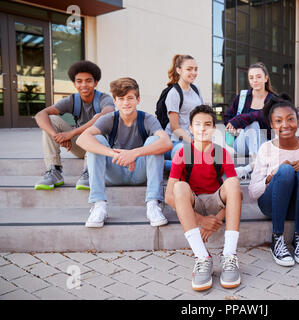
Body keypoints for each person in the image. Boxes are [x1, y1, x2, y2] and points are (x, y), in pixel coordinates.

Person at [165, 105, 242, 292]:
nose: (202, 128)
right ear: (190, 128)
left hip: (215, 202)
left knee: (233, 183)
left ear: (214, 129)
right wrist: (201, 221)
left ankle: (229, 255)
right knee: (180, 186)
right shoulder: (183, 153)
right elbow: (168, 197)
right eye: (197, 124)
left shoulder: (221, 153)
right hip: (194, 204)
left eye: (208, 124)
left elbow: (236, 195)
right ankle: (202, 256)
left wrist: (217, 219)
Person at [77, 77, 172, 228]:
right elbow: (81, 140)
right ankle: (99, 205)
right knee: (96, 140)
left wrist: (134, 154)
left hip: (140, 172)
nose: (126, 103)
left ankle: (153, 205)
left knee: (154, 142)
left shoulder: (147, 119)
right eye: (121, 99)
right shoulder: (109, 119)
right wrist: (115, 154)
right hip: (115, 171)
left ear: (138, 99)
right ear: (115, 101)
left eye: (130, 98)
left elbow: (167, 143)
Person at [249, 94, 299, 267]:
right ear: (272, 125)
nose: (285, 125)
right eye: (279, 121)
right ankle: (277, 238)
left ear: (297, 120)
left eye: (290, 119)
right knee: (285, 170)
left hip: (298, 205)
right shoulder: (266, 148)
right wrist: (272, 176)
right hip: (271, 205)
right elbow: (253, 192)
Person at [34, 60, 115, 190]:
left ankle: (89, 172)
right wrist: (57, 136)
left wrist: (71, 133)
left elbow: (106, 114)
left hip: (100, 147)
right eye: (79, 81)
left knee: (97, 119)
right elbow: (40, 115)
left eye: (88, 81)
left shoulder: (104, 99)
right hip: (81, 146)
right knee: (51, 118)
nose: (84, 85)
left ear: (95, 83)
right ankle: (54, 170)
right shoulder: (72, 100)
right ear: (74, 83)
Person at [223, 62, 276, 180]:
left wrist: (241, 119)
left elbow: (265, 117)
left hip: (265, 143)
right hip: (241, 144)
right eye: (251, 77)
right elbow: (227, 118)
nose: (255, 80)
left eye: (258, 76)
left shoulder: (273, 100)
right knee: (252, 124)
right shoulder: (242, 97)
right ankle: (256, 169)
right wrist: (235, 126)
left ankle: (249, 168)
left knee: (254, 122)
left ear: (266, 78)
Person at [163, 54, 203, 171]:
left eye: (195, 69)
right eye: (189, 69)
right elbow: (174, 126)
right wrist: (193, 142)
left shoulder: (196, 90)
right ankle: (163, 165)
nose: (193, 73)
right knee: (192, 158)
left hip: (194, 140)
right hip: (176, 142)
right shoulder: (174, 93)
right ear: (179, 70)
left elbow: (202, 116)